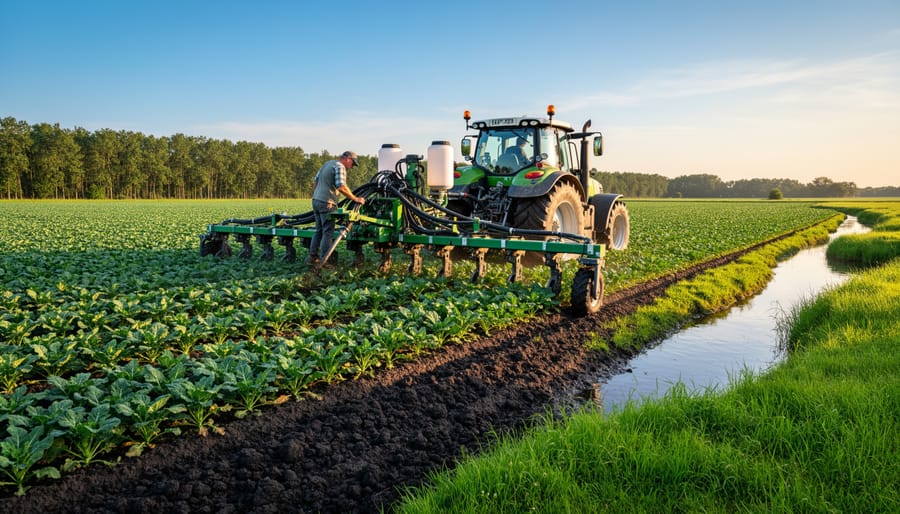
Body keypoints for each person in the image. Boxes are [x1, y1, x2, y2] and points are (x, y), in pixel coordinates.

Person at [308, 150, 366, 266]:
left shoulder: (327, 164)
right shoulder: (340, 167)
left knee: (319, 230)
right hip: (327, 203)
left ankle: (313, 257)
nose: (352, 167)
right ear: (348, 159)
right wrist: (355, 199)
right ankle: (325, 261)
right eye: (352, 164)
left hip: (316, 201)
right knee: (327, 232)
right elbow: (341, 187)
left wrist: (318, 195)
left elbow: (315, 182)